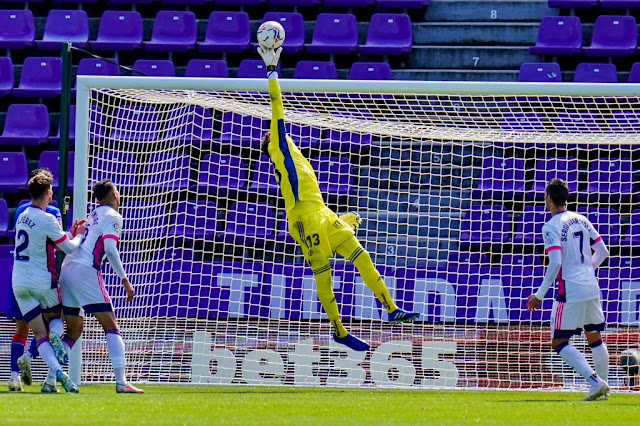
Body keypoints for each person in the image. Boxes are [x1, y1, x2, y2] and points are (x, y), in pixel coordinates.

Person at [256, 46, 419, 352]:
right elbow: (276, 104)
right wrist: (272, 69)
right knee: (324, 274)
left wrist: (340, 218)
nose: (280, 130)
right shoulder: (278, 144)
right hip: (303, 219)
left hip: (321, 213)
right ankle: (338, 330)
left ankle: (391, 308)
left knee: (362, 256)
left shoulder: (292, 152)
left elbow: (313, 196)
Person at [526, 178, 610, 401]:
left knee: (559, 341)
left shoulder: (550, 226)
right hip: (591, 286)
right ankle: (603, 391)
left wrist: (539, 295)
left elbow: (555, 263)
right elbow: (603, 251)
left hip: (570, 290)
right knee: (595, 338)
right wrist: (586, 270)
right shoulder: (582, 219)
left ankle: (595, 383)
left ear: (549, 198)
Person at [60, 179, 143, 393]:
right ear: (114, 195)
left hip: (67, 269)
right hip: (85, 270)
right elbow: (110, 248)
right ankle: (121, 382)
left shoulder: (93, 214)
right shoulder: (112, 216)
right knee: (111, 326)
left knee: (73, 332)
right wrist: (125, 279)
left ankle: (50, 378)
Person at [8, 168, 83, 393]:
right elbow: (67, 247)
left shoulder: (21, 214)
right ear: (48, 192)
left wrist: (66, 234)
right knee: (54, 322)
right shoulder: (49, 216)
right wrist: (78, 235)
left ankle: (57, 376)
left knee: (37, 334)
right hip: (43, 281)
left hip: (20, 282)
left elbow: (46, 238)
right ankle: (54, 340)